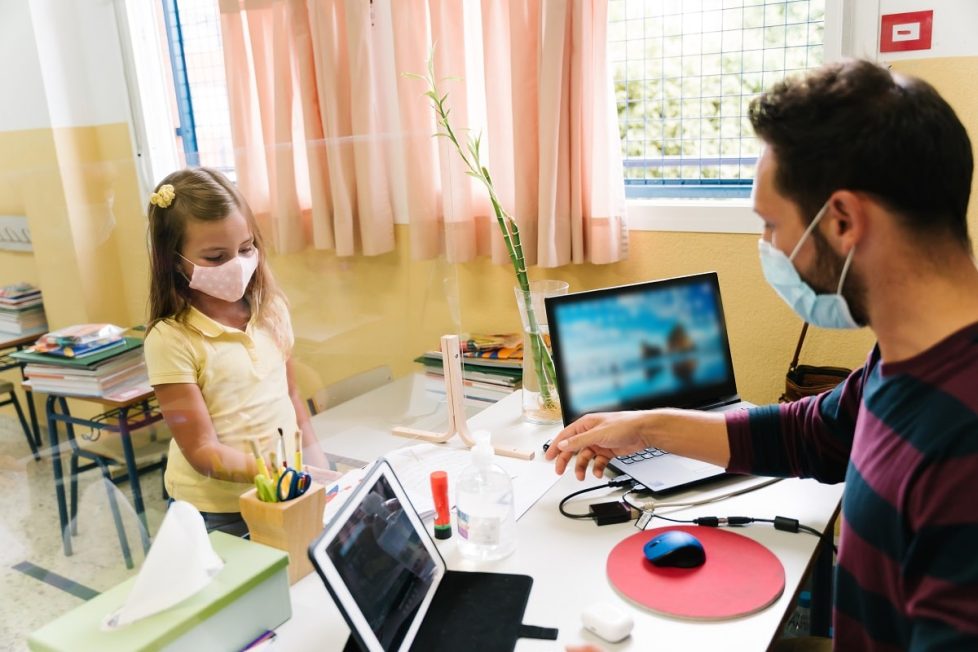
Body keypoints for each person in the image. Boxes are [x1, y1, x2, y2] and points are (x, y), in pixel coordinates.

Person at [547, 60, 978, 651]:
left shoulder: (963, 442)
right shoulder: (912, 356)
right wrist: (646, 427)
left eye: (774, 225)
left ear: (844, 220)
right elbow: (814, 433)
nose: (770, 248)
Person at [144, 167, 335, 536]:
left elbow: (292, 396)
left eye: (246, 248)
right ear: (173, 260)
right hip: (217, 510)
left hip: (284, 488)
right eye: (215, 258)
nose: (236, 264)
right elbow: (200, 449)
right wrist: (272, 472)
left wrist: (317, 464)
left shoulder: (270, 310)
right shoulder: (171, 338)